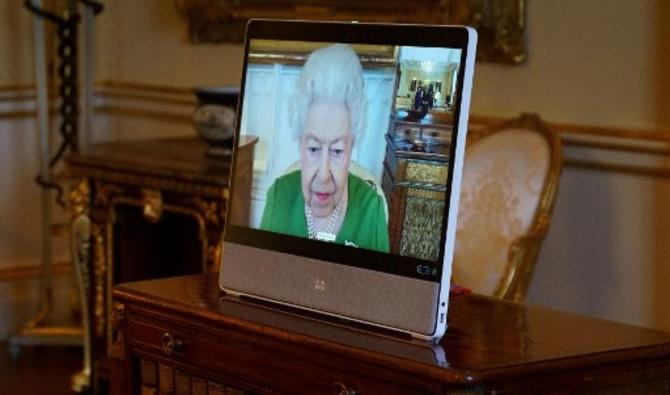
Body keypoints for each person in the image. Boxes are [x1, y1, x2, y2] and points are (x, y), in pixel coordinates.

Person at [260, 44, 390, 253]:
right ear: (300, 144)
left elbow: (381, 286)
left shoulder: (371, 209)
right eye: (313, 149)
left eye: (337, 151)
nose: (324, 175)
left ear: (351, 147)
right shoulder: (278, 197)